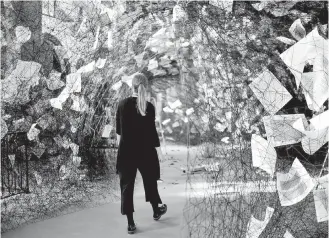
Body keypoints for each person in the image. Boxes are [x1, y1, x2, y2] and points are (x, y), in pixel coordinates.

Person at [115, 73, 167, 234]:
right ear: (146, 86)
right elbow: (152, 134)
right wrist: (160, 153)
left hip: (126, 152)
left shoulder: (122, 105)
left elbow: (119, 133)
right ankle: (156, 211)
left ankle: (130, 224)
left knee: (126, 187)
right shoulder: (149, 106)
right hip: (146, 152)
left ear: (132, 86)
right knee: (150, 182)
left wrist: (120, 150)